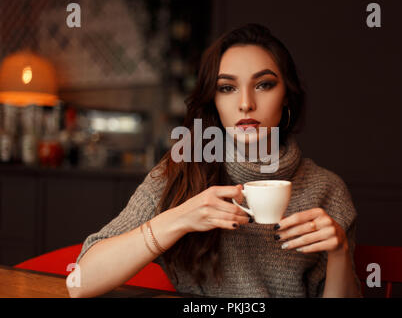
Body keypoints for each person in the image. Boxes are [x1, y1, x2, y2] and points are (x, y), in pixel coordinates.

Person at [67, 23, 362, 298]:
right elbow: (80, 282)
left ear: (286, 95)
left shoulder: (327, 189)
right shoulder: (181, 171)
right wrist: (181, 218)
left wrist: (339, 252)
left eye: (264, 84)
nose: (246, 103)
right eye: (227, 88)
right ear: (213, 100)